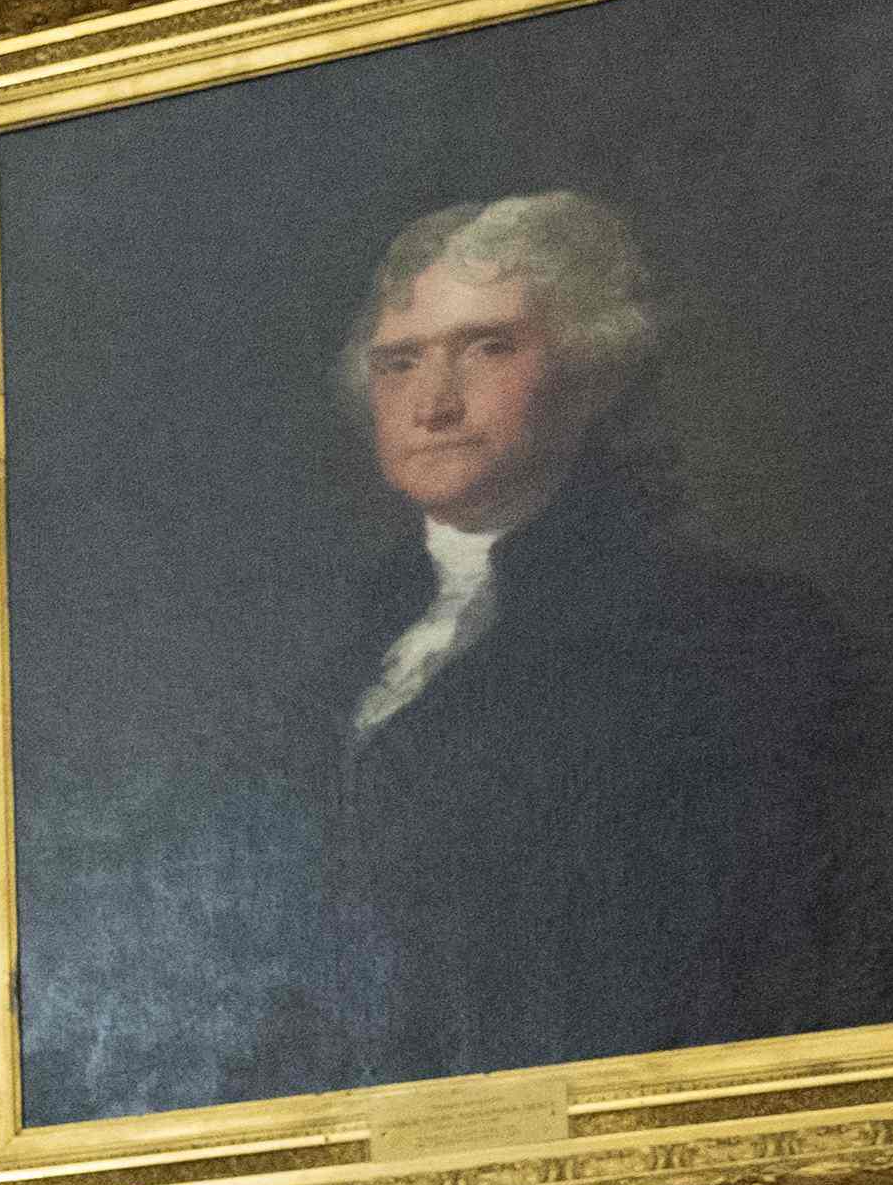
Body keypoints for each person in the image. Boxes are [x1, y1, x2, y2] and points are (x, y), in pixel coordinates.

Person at [307, 193, 862, 1083]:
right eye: (399, 362)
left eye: (487, 348)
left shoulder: (729, 634)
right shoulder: (338, 640)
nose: (432, 403)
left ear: (590, 374)